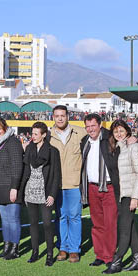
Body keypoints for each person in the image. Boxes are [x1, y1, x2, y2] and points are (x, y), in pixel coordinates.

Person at [103, 120, 138, 274]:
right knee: (131, 227)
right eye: (116, 132)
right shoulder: (117, 147)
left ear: (127, 131)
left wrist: (135, 197)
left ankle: (117, 261)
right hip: (119, 194)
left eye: (121, 131)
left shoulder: (133, 146)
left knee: (124, 228)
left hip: (129, 194)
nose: (119, 134)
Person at [80, 113, 120, 268]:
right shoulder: (85, 142)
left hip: (108, 187)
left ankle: (109, 256)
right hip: (92, 187)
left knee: (110, 223)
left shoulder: (110, 138)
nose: (91, 129)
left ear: (100, 125)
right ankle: (100, 255)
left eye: (93, 126)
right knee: (97, 224)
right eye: (88, 126)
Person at [49, 105, 87, 263]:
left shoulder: (80, 132)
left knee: (75, 217)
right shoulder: (48, 136)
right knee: (61, 217)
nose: (60, 118)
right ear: (53, 117)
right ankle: (63, 248)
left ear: (67, 116)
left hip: (74, 184)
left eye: (62, 115)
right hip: (56, 185)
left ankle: (74, 250)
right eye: (57, 115)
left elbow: (99, 136)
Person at [20, 122, 61, 266]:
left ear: (44, 135)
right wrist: (23, 191)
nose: (33, 136)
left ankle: (49, 255)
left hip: (45, 193)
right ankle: (35, 252)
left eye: (36, 134)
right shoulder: (29, 149)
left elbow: (56, 175)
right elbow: (26, 171)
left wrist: (52, 195)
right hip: (30, 191)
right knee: (33, 224)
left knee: (48, 224)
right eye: (32, 133)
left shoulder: (53, 151)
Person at [0, 117, 24, 260]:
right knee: (5, 220)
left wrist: (14, 187)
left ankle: (14, 249)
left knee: (13, 219)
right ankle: (6, 247)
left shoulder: (13, 142)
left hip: (11, 187)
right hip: (0, 187)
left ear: (5, 128)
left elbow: (18, 166)